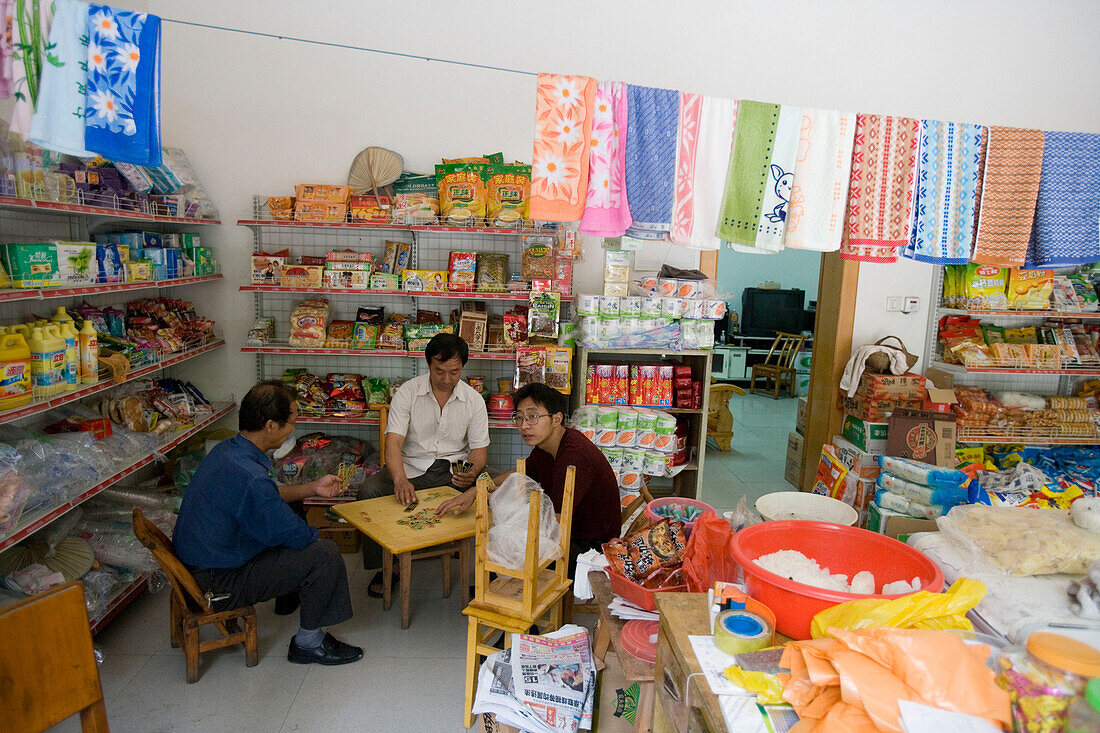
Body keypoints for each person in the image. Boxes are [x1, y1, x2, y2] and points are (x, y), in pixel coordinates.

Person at [173, 380, 362, 666]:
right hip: (215, 583)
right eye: (291, 422)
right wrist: (317, 537)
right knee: (325, 555)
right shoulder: (251, 479)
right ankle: (308, 644)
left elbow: (268, 498)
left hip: (202, 562)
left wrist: (312, 488)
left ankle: (290, 595)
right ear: (271, 426)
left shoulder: (229, 451)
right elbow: (295, 535)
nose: (293, 430)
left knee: (293, 505)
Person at [436, 382, 620, 573]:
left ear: (556, 419)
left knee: (507, 547)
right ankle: (498, 594)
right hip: (572, 532)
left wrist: (503, 502)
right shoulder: (549, 445)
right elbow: (520, 471)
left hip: (592, 549)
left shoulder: (573, 457)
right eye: (519, 417)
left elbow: (555, 522)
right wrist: (476, 490)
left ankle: (501, 597)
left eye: (533, 417)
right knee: (503, 542)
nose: (524, 426)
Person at [358, 332, 490, 596]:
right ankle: (388, 567)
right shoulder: (408, 392)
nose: (446, 379)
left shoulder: (473, 400)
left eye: (454, 372)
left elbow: (478, 450)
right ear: (428, 364)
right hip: (411, 468)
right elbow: (393, 444)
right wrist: (399, 479)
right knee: (368, 492)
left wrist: (472, 472)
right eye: (439, 371)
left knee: (497, 488)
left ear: (462, 367)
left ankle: (488, 569)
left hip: (454, 471)